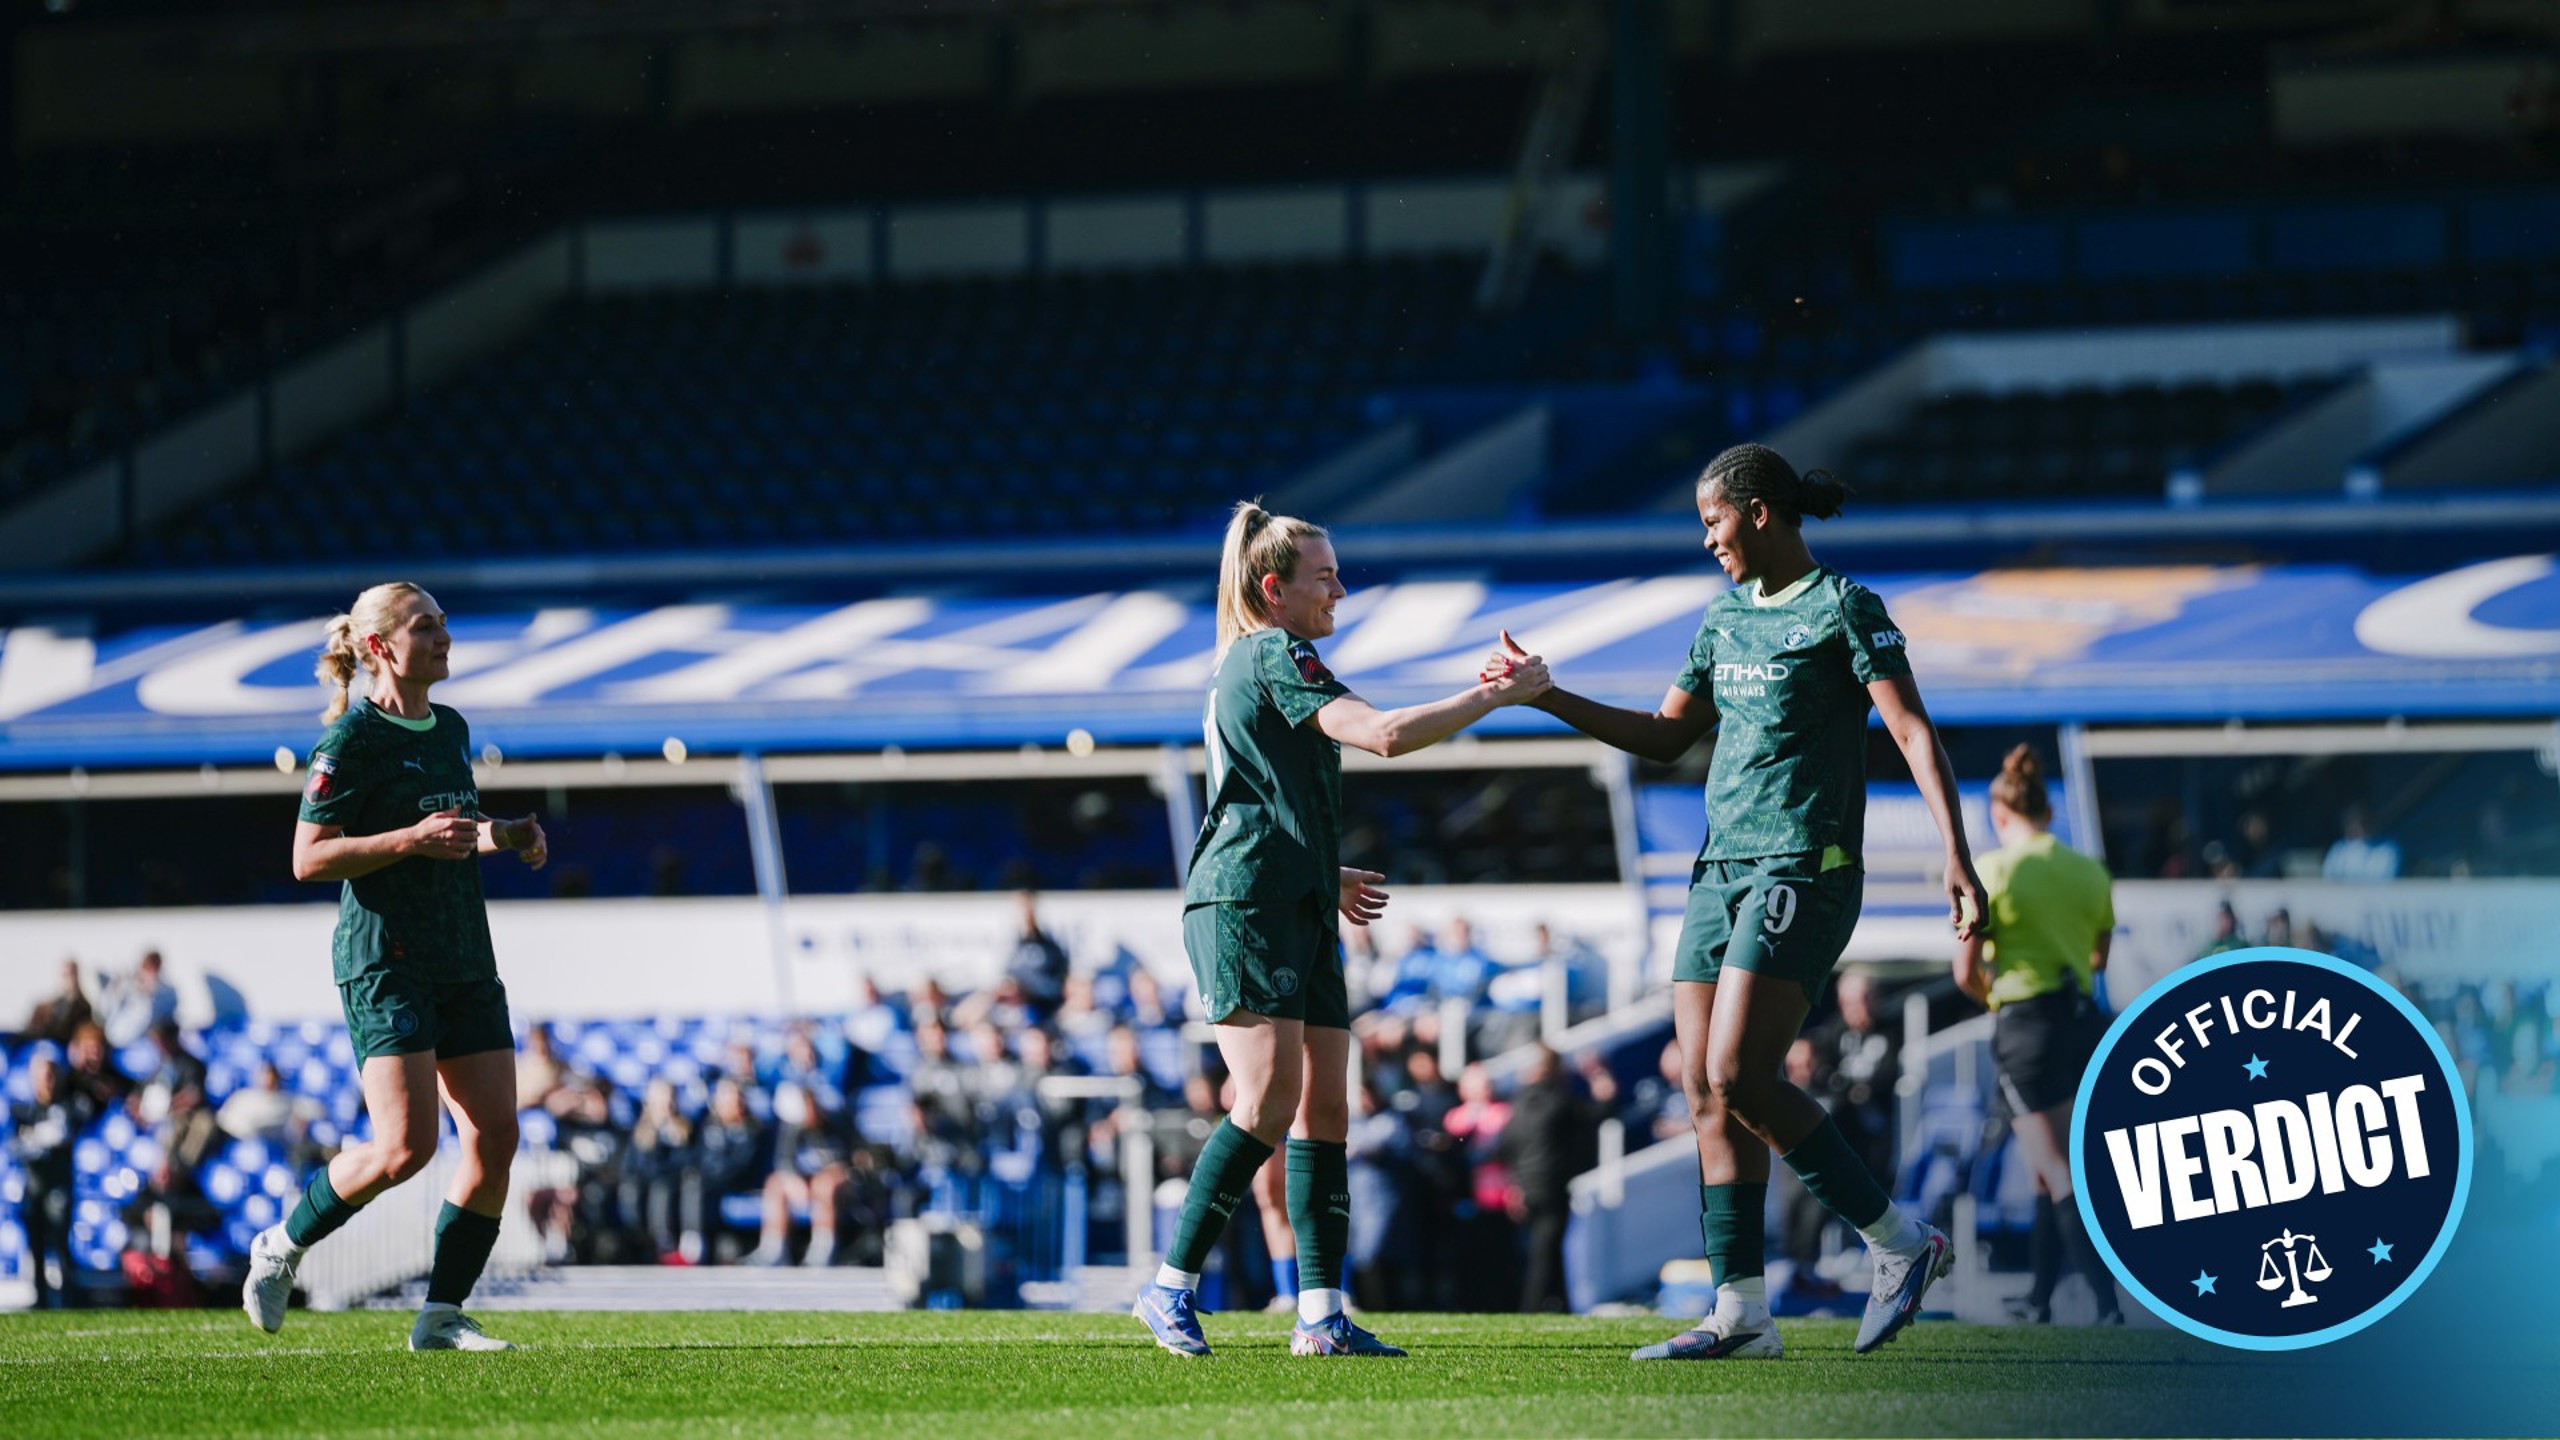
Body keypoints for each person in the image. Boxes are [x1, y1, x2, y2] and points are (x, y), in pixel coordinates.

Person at [1491, 443, 1980, 1361]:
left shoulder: (1845, 607)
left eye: (1713, 523)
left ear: (1758, 511)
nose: (1708, 541)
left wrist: (1956, 855)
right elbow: (1664, 735)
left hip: (1804, 864)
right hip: (1720, 871)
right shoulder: (1722, 621)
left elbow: (1913, 731)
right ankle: (1741, 1314)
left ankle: (1901, 1245)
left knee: (1740, 1075)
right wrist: (1547, 694)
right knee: (1701, 1088)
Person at [1132, 499, 1550, 1359]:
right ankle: (1168, 1288)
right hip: (1244, 903)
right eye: (1326, 577)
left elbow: (1264, 795)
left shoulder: (1259, 657)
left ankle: (1320, 1314)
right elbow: (1387, 736)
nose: (1342, 590)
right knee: (1264, 1103)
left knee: (1325, 1109)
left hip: (1293, 898)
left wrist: (1322, 873)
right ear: (1273, 586)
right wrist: (1494, 694)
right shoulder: (1274, 652)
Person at [241, 581, 549, 1352]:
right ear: (380, 647)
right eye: (425, 626)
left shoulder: (449, 726)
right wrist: (407, 839)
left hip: (463, 953)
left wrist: (505, 833)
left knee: (495, 1137)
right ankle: (282, 1245)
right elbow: (308, 858)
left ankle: (441, 1316)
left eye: (444, 623)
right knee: (404, 1150)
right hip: (387, 959)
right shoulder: (351, 741)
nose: (444, 637)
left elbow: (453, 827)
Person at [1953, 744, 2123, 1326]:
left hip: (2026, 1024)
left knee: (2055, 1168)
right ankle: (2040, 1298)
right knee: (2051, 1167)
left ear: (2000, 817)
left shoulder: (1993, 870)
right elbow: (2098, 957)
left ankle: (2106, 1305)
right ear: (2049, 813)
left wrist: (1993, 998)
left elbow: (1964, 972)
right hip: (2081, 1021)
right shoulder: (2089, 870)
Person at [7, 1049, 90, 1309]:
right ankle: (40, 1299)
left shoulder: (67, 1104)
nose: (48, 1080)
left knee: (61, 1245)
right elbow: (15, 1145)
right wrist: (36, 1138)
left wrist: (38, 1138)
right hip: (34, 1187)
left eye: (52, 1074)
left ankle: (68, 1299)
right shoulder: (24, 1109)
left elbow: (67, 1131)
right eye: (43, 1074)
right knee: (37, 1245)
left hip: (58, 1185)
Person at [100, 949, 179, 1049]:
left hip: (142, 1044)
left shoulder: (166, 991)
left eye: (153, 968)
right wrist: (117, 985)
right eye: (146, 966)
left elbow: (166, 1017)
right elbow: (105, 1007)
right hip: (116, 1038)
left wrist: (149, 995)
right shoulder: (126, 983)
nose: (149, 971)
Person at [22, 958, 94, 1044]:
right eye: (65, 974)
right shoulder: (45, 1006)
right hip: (42, 1043)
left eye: (71, 974)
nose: (68, 979)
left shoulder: (84, 1006)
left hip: (63, 1045)